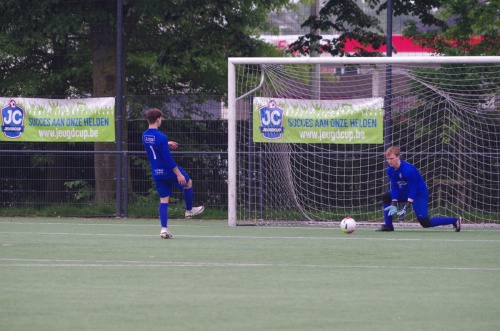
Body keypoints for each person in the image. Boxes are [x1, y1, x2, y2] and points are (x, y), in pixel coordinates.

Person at [142, 108, 204, 239]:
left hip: (156, 172)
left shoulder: (145, 135)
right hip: (168, 170)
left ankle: (164, 229)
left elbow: (153, 146)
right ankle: (189, 210)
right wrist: (178, 173)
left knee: (164, 200)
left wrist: (165, 143)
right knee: (188, 183)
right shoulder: (161, 137)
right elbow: (167, 158)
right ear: (158, 119)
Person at [376, 146, 461, 232]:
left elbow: (413, 189)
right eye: (387, 159)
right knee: (386, 196)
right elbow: (395, 188)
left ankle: (455, 220)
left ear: (398, 157)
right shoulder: (390, 170)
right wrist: (393, 204)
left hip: (419, 193)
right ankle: (388, 226)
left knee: (425, 223)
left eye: (391, 158)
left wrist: (406, 207)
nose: (389, 161)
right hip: (405, 191)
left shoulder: (409, 170)